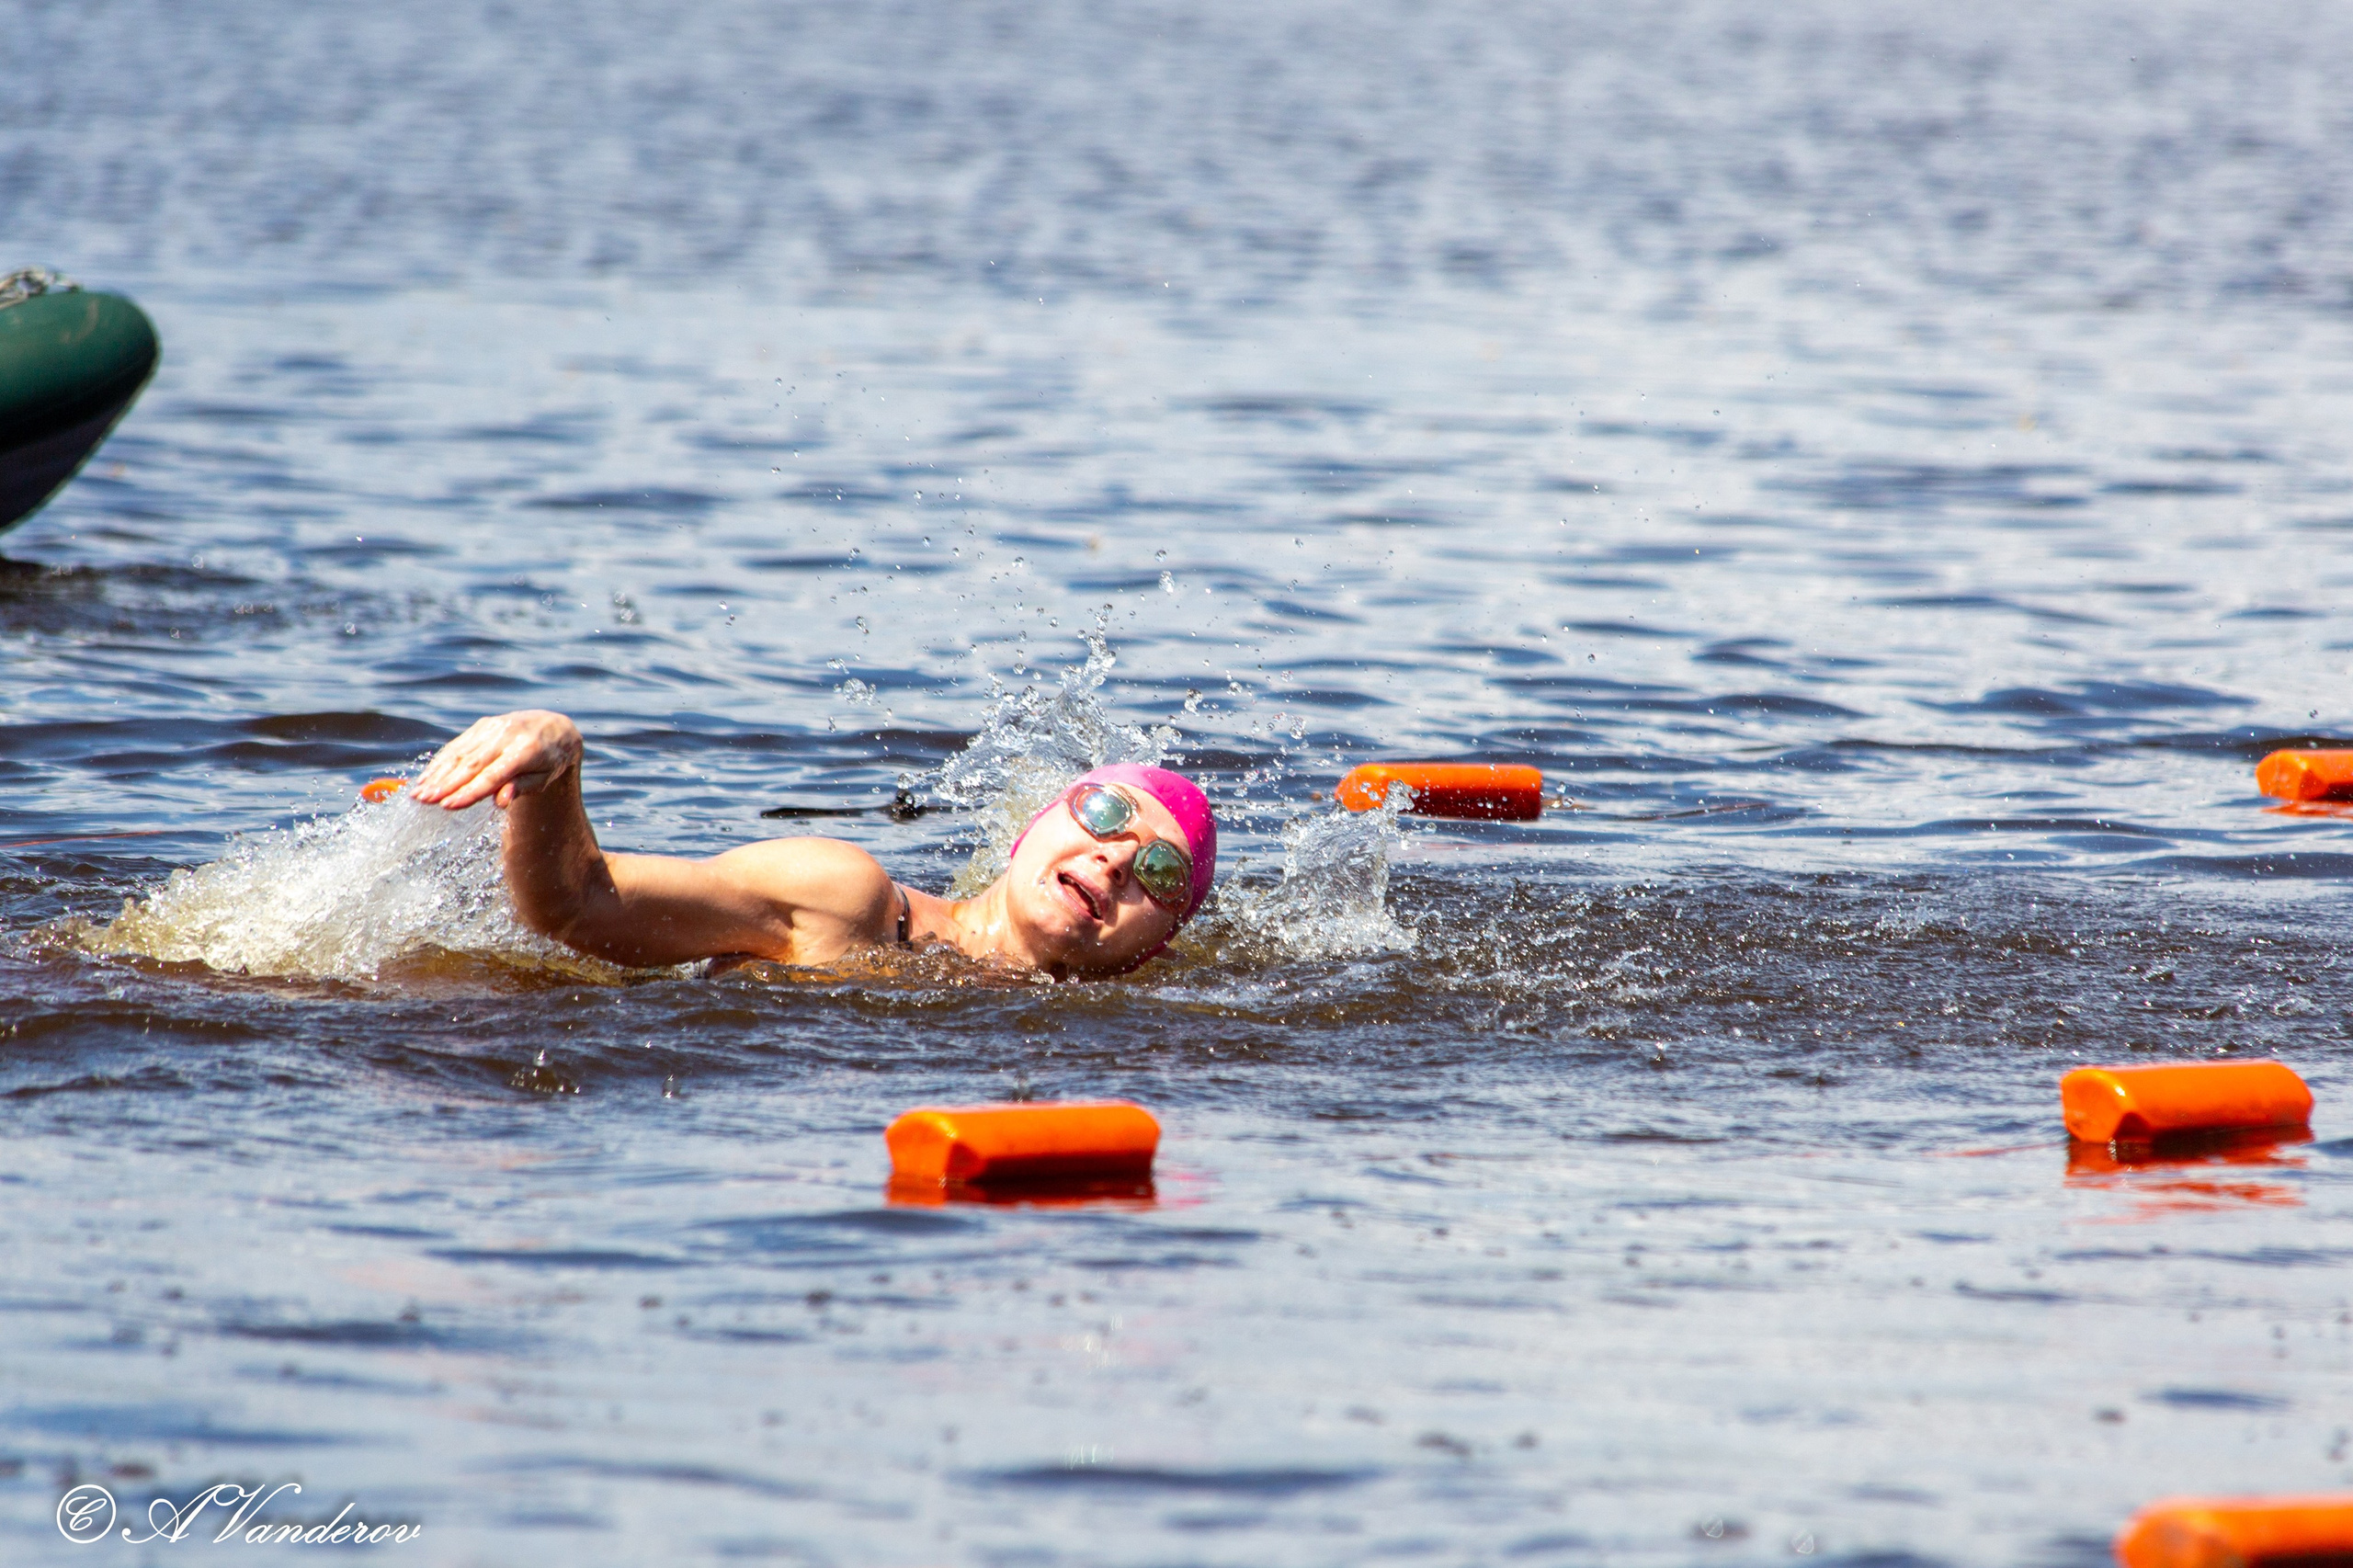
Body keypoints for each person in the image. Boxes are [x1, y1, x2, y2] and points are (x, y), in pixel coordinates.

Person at [408, 710, 1217, 979]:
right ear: (1026, 834)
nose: (1115, 857)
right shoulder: (848, 901)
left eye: (1159, 870)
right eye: (1104, 813)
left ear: (1158, 947)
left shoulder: (1124, 1035)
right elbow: (576, 907)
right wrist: (559, 756)